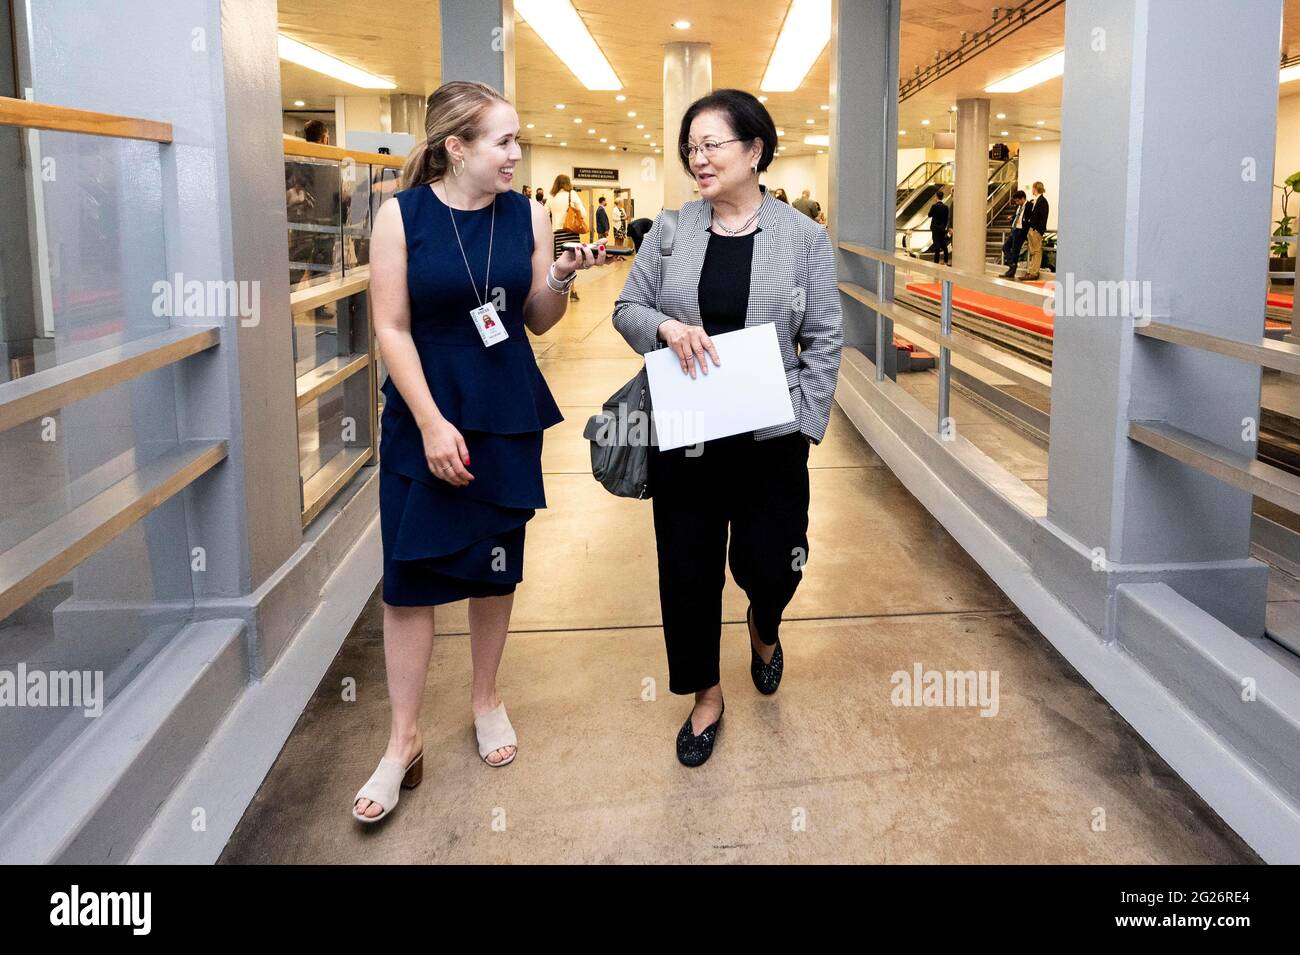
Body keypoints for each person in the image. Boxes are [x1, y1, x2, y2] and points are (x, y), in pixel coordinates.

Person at [352, 80, 613, 824]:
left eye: (518, 140)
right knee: (409, 577)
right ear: (455, 146)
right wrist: (432, 423)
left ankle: (485, 699)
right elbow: (392, 328)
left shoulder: (527, 214)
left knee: (494, 567)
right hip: (423, 412)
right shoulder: (400, 216)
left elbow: (535, 318)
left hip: (502, 412)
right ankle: (402, 739)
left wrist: (558, 277)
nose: (516, 153)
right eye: (503, 141)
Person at [612, 88, 843, 767]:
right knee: (687, 569)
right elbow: (627, 305)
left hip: (771, 439)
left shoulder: (802, 237)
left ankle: (763, 622)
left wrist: (805, 425)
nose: (699, 158)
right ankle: (706, 693)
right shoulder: (671, 230)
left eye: (712, 144)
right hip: (687, 434)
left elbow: (825, 337)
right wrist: (664, 326)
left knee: (771, 563)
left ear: (755, 150)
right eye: (691, 148)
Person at [546, 175, 589, 302]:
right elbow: (584, 213)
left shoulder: (551, 197)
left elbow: (545, 212)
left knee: (560, 261)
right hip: (571, 232)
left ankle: (561, 288)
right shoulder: (572, 194)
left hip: (557, 233)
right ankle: (573, 289)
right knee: (572, 260)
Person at [1022, 181, 1049, 280]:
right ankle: (1031, 271)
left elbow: (1043, 217)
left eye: (1033, 188)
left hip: (1036, 231)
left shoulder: (1042, 201)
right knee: (1033, 251)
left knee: (1036, 251)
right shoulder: (1036, 201)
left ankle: (1034, 273)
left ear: (1035, 188)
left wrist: (1037, 229)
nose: (1032, 190)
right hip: (1032, 229)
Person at [1000, 190, 1029, 279]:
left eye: (1017, 201)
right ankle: (1012, 265)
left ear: (1023, 198)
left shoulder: (1029, 206)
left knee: (1015, 251)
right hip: (1014, 230)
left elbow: (1026, 219)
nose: (1016, 203)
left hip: (1021, 231)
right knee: (1005, 247)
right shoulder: (1019, 207)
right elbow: (1017, 216)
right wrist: (1012, 218)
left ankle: (1011, 271)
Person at [927, 189, 951, 265]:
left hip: (935, 229)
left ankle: (936, 262)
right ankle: (946, 260)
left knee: (937, 246)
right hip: (942, 229)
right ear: (942, 197)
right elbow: (947, 218)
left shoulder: (934, 206)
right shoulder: (946, 207)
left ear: (937, 197)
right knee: (943, 245)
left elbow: (929, 215)